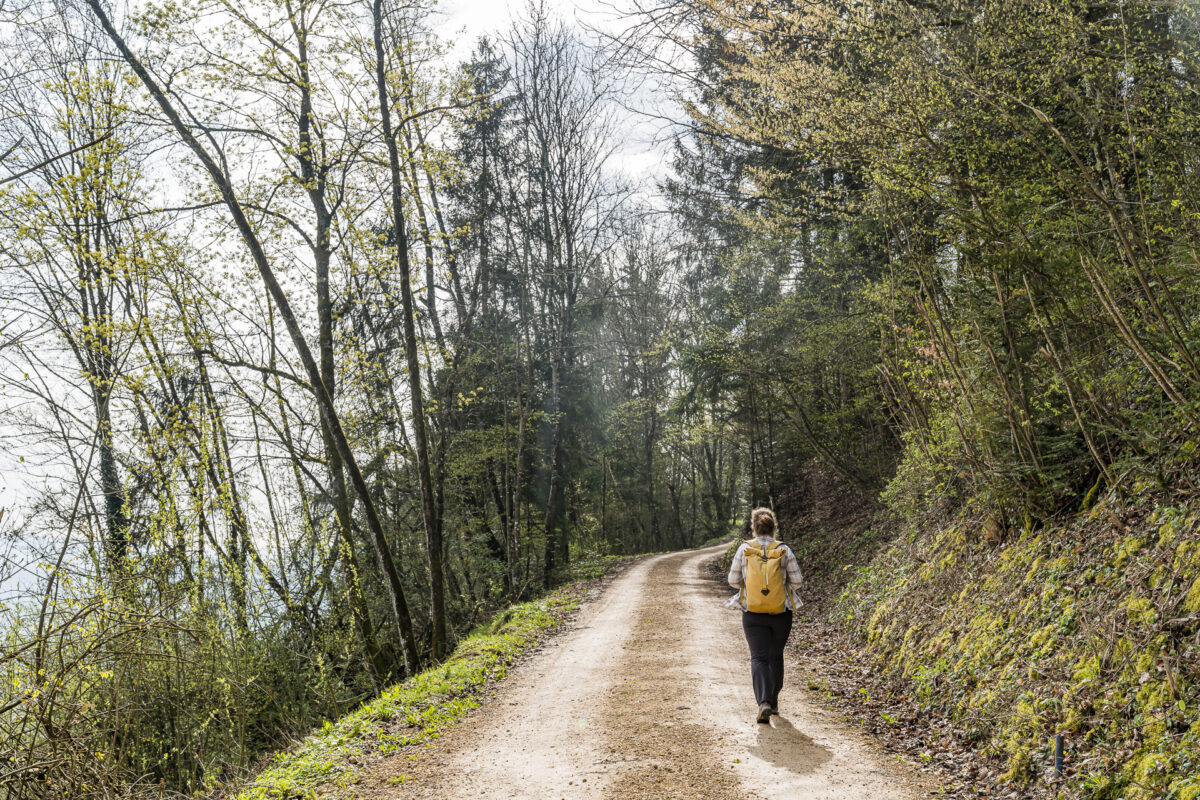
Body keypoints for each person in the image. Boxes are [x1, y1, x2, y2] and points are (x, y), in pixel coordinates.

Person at [727, 507, 803, 723]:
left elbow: (733, 581)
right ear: (773, 528)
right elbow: (797, 582)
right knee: (775, 656)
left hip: (753, 613)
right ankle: (774, 700)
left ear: (754, 528)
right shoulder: (784, 550)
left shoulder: (744, 549)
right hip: (781, 613)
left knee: (758, 657)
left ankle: (763, 703)